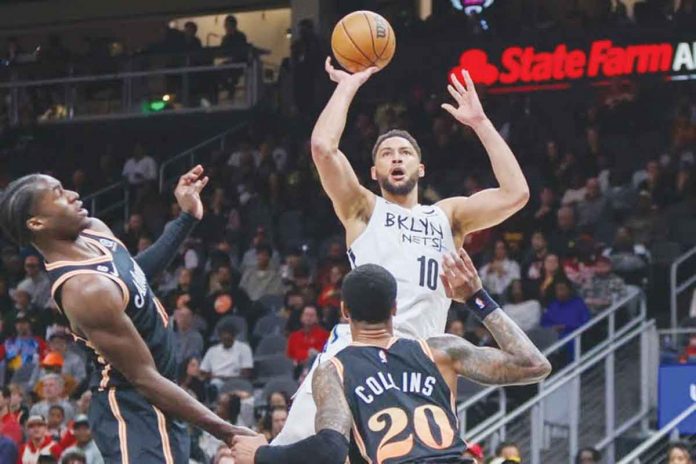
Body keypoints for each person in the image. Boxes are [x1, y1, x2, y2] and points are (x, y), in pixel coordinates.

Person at [274, 55, 530, 445]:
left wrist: (481, 124)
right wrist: (348, 86)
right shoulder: (363, 208)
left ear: (421, 169)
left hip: (419, 360)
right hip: (356, 350)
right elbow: (323, 148)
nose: (396, 157)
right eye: (386, 153)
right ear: (374, 171)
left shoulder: (448, 216)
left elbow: (516, 195)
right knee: (291, 451)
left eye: (405, 152)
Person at [0, 166, 252, 463]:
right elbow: (144, 378)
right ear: (37, 223)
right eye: (58, 195)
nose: (73, 195)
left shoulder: (93, 229)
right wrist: (229, 432)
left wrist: (186, 217)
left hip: (161, 399)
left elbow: (134, 275)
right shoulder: (83, 290)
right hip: (135, 411)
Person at [232, 252, 551, 463]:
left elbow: (329, 449)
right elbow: (534, 364)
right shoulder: (439, 350)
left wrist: (261, 454)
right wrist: (476, 298)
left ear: (344, 311)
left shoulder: (334, 370)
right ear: (394, 308)